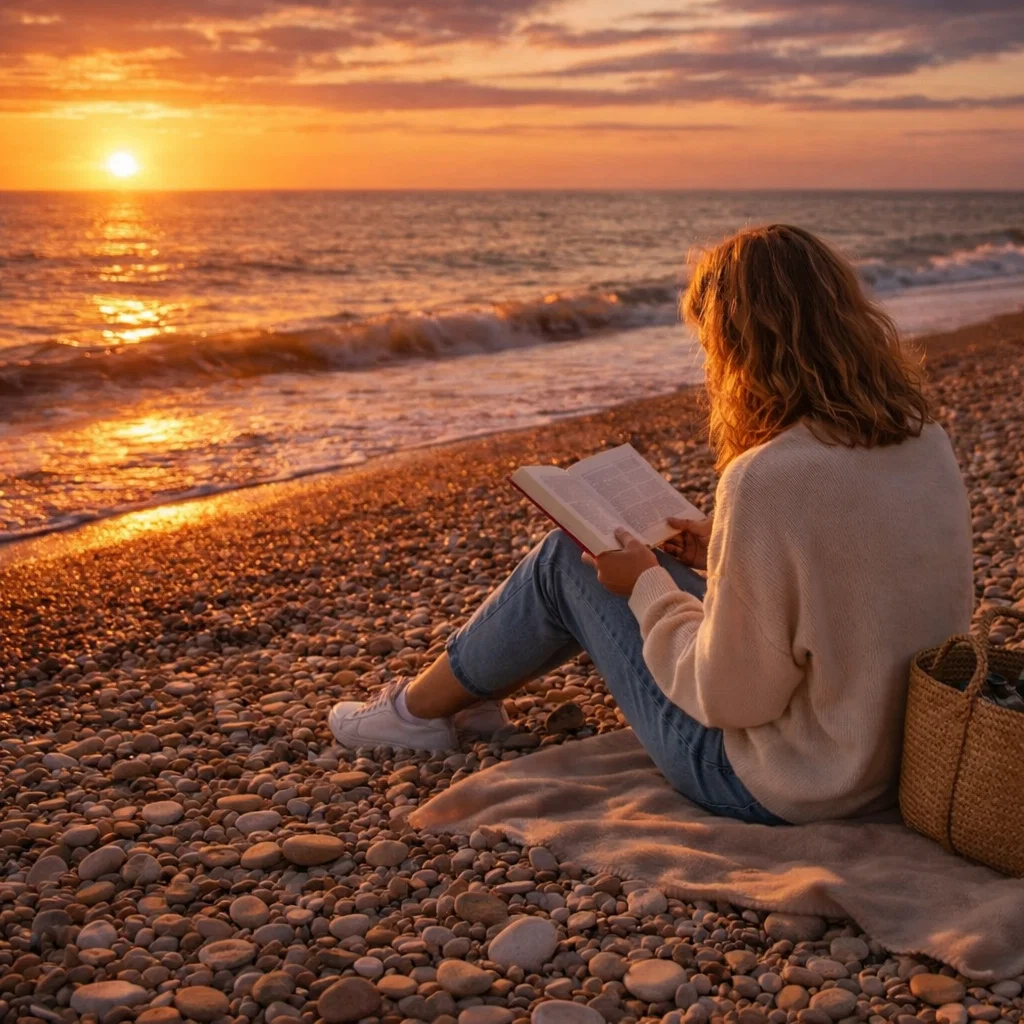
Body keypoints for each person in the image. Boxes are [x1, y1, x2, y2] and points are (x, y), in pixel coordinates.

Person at [329, 224, 974, 826]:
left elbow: (731, 701)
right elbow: (862, 579)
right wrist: (723, 548)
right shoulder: (926, 440)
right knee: (605, 559)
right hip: (898, 759)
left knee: (563, 559)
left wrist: (645, 586)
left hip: (790, 783)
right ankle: (463, 697)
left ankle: (413, 713)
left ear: (739, 348)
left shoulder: (767, 478)